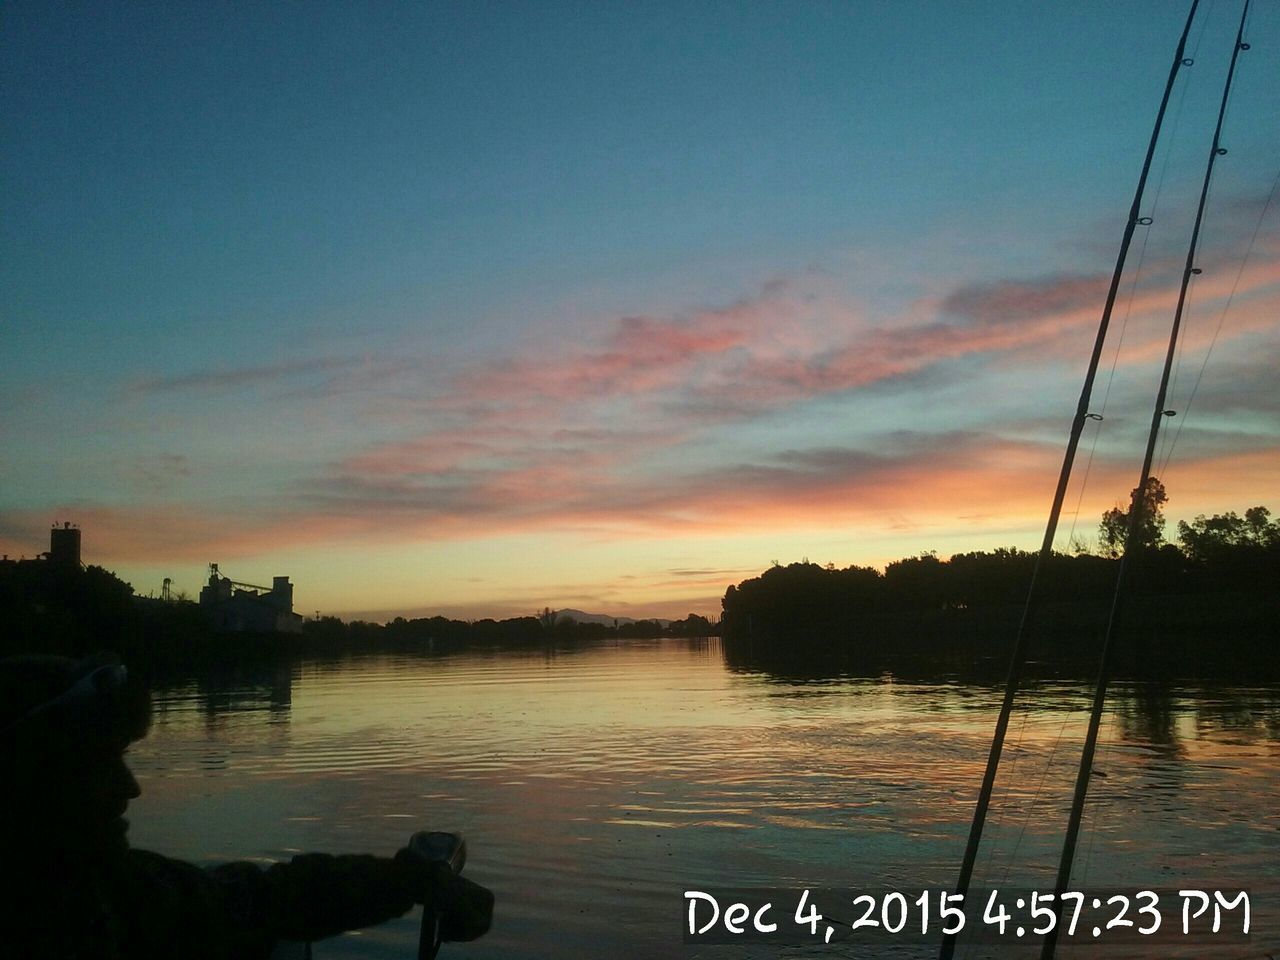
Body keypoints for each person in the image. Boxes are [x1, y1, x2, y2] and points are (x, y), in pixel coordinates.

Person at [0, 652, 494, 959]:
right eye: (102, 763)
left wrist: (404, 881)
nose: (131, 789)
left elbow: (256, 899)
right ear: (34, 774)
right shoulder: (82, 906)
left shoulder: (112, 888)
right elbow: (254, 903)